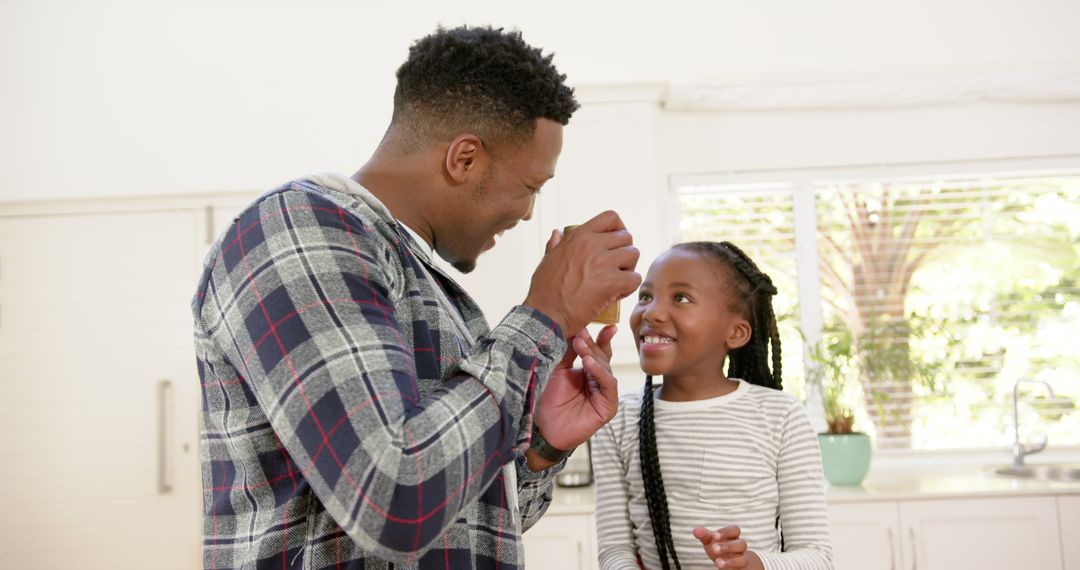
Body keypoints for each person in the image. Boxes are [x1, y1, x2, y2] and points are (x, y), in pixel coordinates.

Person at [191, 25, 641, 569]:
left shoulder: (434, 290)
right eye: (529, 187)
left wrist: (543, 445)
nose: (526, 213)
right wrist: (544, 314)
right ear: (464, 159)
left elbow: (455, 528)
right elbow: (393, 503)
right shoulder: (295, 229)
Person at [591, 241, 833, 569]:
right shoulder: (617, 417)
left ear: (735, 332)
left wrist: (754, 565)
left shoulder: (781, 417)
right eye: (645, 296)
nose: (652, 311)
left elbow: (817, 558)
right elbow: (615, 550)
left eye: (681, 298)